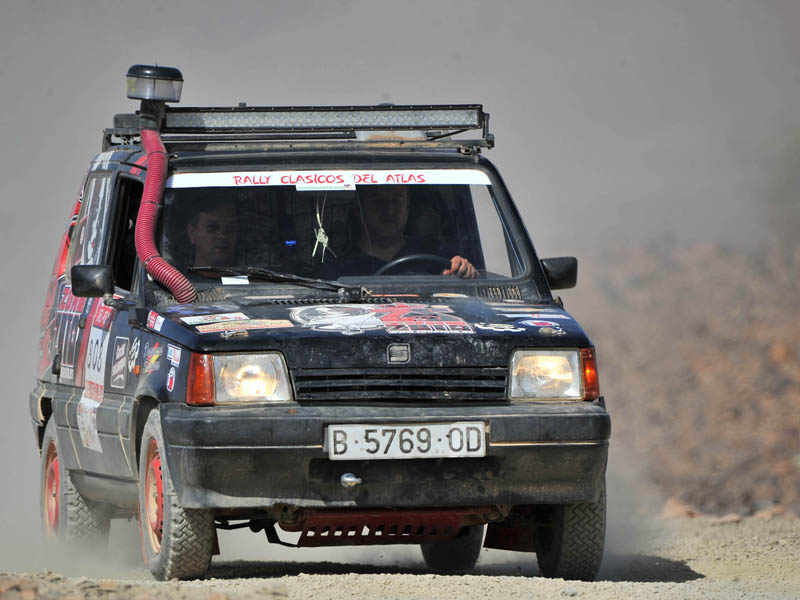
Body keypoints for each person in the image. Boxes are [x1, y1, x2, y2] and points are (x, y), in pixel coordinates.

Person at [337, 186, 477, 278]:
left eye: (397, 200)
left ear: (407, 207)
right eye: (378, 201)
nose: (389, 210)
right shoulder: (340, 271)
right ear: (359, 208)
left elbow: (473, 291)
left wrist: (465, 271)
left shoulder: (437, 256)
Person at [185, 201, 238, 268]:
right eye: (212, 228)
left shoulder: (248, 273)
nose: (222, 236)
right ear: (192, 233)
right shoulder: (175, 274)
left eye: (230, 228)